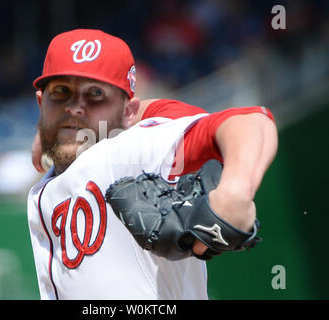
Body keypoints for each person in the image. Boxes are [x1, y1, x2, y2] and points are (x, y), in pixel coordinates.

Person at [28, 28, 278, 299]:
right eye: (61, 92)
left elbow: (251, 121)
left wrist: (236, 192)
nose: (74, 107)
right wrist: (59, 129)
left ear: (129, 113)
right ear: (41, 102)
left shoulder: (132, 152)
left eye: (96, 95)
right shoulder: (47, 182)